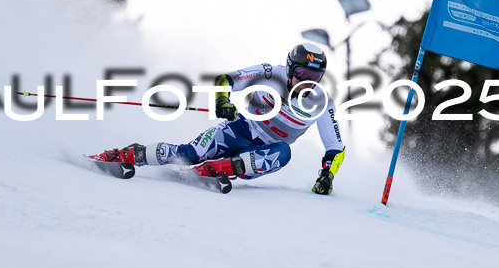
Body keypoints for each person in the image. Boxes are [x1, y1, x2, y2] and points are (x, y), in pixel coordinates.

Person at [92, 43, 346, 195]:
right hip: (240, 130)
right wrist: (223, 101)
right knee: (189, 153)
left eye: (316, 76)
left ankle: (214, 170)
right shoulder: (270, 74)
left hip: (262, 153)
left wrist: (327, 176)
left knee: (283, 152)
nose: (308, 82)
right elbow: (225, 80)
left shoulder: (321, 102)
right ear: (290, 69)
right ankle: (120, 156)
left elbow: (336, 148)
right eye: (302, 73)